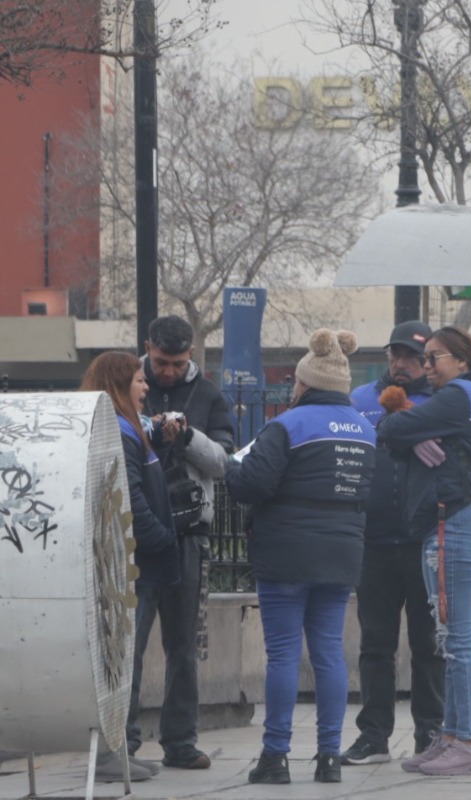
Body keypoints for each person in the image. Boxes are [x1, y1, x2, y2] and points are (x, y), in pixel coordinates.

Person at [224, 329, 376, 784]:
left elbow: (252, 485)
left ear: (306, 383)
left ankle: (275, 757)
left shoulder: (287, 425)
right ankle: (330, 757)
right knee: (330, 652)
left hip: (286, 552)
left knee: (284, 654)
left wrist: (231, 467)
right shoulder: (366, 431)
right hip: (343, 549)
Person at [374, 326, 471, 776]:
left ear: (463, 361)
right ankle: (450, 736)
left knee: (458, 638)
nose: (426, 367)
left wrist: (405, 433)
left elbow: (389, 424)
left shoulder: (459, 395)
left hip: (458, 520)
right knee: (448, 636)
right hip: (458, 520)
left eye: (435, 358)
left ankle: (467, 743)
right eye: (424, 359)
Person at [130, 315, 234, 772]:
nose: (167, 372)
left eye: (176, 363)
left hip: (188, 532)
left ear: (190, 354)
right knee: (129, 646)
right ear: (147, 348)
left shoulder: (209, 394)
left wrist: (188, 437)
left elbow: (224, 461)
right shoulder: (126, 383)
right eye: (159, 362)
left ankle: (180, 741)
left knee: (183, 646)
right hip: (138, 535)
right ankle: (125, 742)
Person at [341, 320, 446, 765]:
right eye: (395, 356)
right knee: (375, 645)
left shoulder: (445, 401)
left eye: (411, 357)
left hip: (426, 541)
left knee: (429, 644)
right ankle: (373, 736)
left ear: (427, 361)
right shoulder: (362, 401)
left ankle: (431, 733)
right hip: (375, 540)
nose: (401, 365)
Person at [80, 352, 179, 783]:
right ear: (120, 385)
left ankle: (121, 747)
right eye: (139, 380)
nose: (146, 388)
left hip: (143, 563)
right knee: (123, 664)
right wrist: (163, 536)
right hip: (134, 565)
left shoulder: (132, 429)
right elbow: (130, 498)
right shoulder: (121, 433)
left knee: (130, 663)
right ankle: (111, 752)